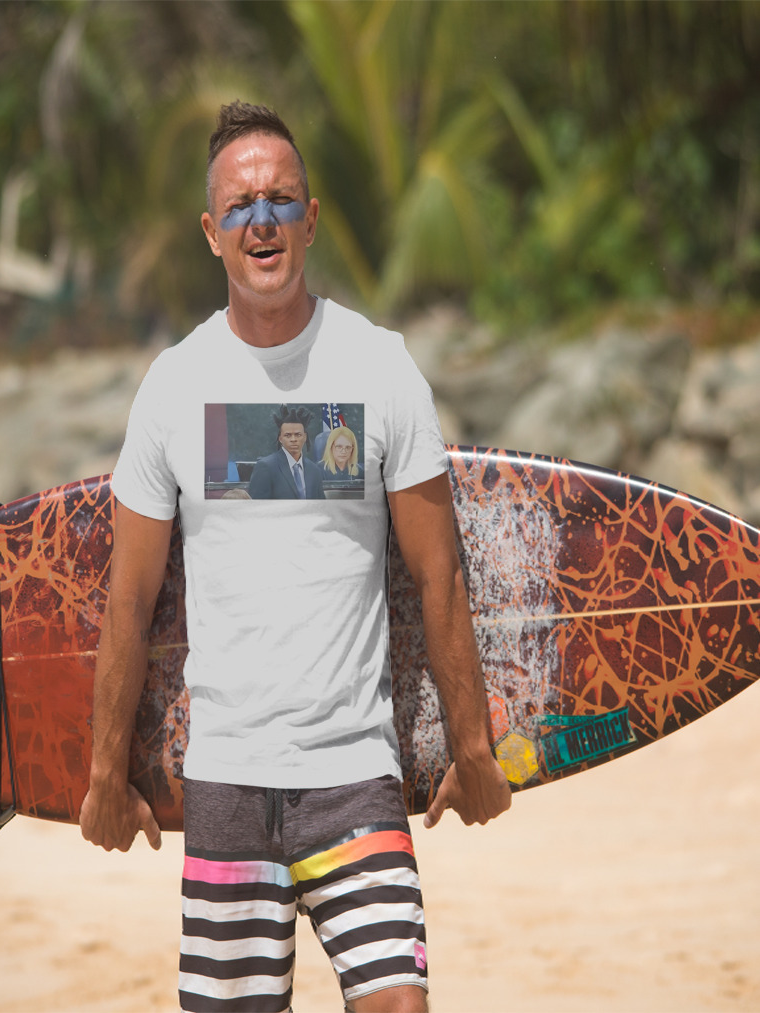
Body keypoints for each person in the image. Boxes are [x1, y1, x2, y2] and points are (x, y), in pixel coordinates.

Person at [80, 100, 511, 1013]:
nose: (262, 220)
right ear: (211, 232)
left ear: (311, 219)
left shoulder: (381, 367)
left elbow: (439, 574)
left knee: (400, 1003)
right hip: (229, 779)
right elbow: (130, 599)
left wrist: (472, 746)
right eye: (240, 206)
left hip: (355, 773)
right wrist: (102, 772)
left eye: (281, 200)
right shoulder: (174, 388)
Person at [248, 403, 326, 499]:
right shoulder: (266, 467)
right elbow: (256, 508)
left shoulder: (314, 471)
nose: (293, 439)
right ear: (280, 438)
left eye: (298, 435)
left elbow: (321, 507)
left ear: (305, 437)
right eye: (288, 435)